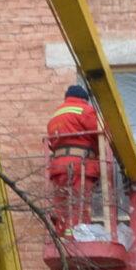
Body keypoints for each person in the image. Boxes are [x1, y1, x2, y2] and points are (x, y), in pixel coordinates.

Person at [46, 82, 103, 233]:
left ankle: (63, 235)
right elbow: (102, 133)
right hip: (79, 165)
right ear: (84, 99)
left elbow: (52, 143)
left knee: (62, 206)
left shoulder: (55, 114)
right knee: (79, 205)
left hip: (58, 166)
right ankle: (78, 237)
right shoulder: (85, 110)